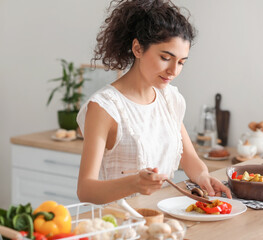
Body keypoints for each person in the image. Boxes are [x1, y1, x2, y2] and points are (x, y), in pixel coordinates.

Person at [76, 0, 231, 204]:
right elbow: (86, 190)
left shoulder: (169, 98)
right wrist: (134, 184)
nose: (174, 71)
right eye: (166, 57)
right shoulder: (105, 106)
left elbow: (189, 158)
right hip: (122, 225)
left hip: (164, 220)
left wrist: (203, 177)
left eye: (181, 62)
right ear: (138, 49)